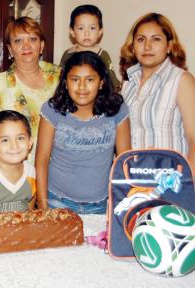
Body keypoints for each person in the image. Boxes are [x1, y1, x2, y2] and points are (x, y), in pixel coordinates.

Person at [36, 51, 131, 214]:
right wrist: (43, 207)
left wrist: (122, 206)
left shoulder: (117, 109)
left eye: (90, 79)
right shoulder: (52, 109)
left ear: (101, 82)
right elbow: (41, 160)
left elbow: (124, 161)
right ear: (65, 82)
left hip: (102, 205)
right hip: (57, 202)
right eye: (74, 79)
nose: (81, 87)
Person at [0, 16, 60, 169]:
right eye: (18, 41)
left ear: (42, 45)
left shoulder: (61, 77)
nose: (26, 46)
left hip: (62, 170)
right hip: (18, 171)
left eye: (32, 39)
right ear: (10, 49)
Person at [120, 13, 195, 173]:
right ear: (133, 47)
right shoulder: (126, 85)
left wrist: (187, 186)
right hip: (134, 184)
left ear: (169, 46)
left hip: (171, 184)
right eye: (141, 39)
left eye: (156, 39)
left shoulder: (182, 80)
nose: (147, 46)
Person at [60, 4, 120, 90]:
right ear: (72, 31)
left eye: (92, 28)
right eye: (81, 28)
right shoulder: (68, 54)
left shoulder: (102, 55)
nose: (87, 33)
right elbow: (60, 80)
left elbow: (113, 82)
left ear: (100, 31)